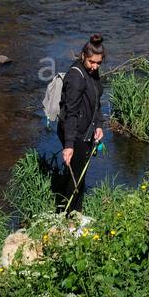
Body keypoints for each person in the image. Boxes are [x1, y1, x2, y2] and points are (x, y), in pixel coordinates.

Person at [58, 33, 105, 212]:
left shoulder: (92, 72)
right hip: (74, 132)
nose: (95, 66)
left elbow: (96, 101)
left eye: (99, 63)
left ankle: (76, 215)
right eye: (92, 62)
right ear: (83, 56)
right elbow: (71, 113)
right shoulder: (76, 77)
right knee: (76, 178)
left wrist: (99, 124)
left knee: (81, 175)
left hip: (86, 131)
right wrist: (69, 145)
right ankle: (67, 217)